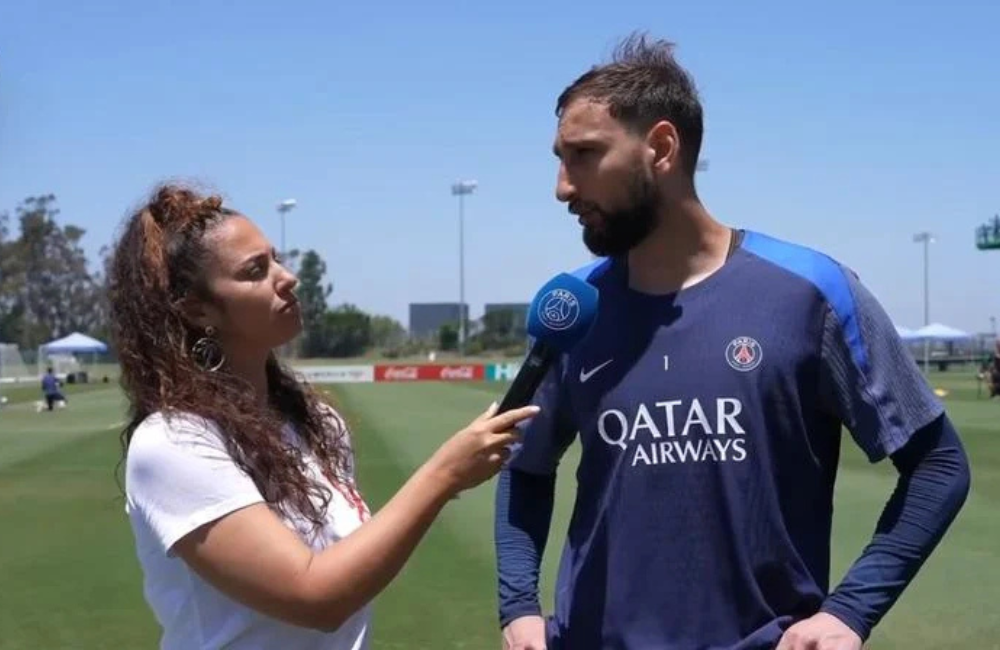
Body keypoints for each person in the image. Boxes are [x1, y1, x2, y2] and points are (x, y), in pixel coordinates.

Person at [494, 33, 972, 650]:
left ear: (661, 147)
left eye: (584, 154)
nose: (562, 187)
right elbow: (523, 467)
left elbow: (938, 464)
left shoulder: (811, 292)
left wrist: (850, 612)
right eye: (560, 158)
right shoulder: (573, 307)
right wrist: (517, 606)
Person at [108, 184, 539, 650]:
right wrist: (444, 475)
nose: (287, 277)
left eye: (276, 259)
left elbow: (351, 576)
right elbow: (316, 599)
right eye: (255, 271)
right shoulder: (174, 442)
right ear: (197, 309)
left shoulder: (316, 421)